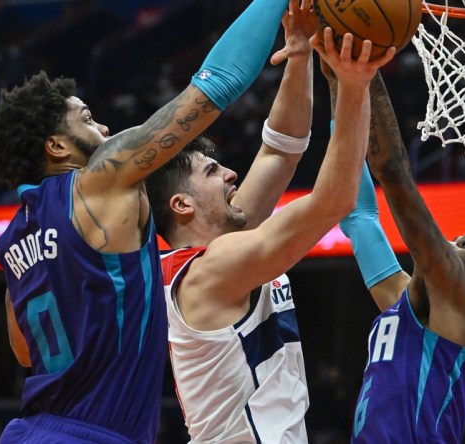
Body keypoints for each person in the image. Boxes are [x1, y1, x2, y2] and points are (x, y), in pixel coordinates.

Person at [0, 0, 292, 441]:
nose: (104, 130)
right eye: (87, 119)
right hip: (90, 433)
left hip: (33, 428)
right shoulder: (98, 182)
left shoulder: (13, 242)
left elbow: (25, 352)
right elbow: (216, 85)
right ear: (56, 146)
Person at [145, 20, 396, 442]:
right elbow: (333, 200)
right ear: (182, 205)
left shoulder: (221, 246)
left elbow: (279, 149)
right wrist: (354, 85)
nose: (230, 173)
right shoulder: (210, 270)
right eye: (212, 171)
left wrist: (298, 54)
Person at [335, 69, 465, 442]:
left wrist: (365, 70)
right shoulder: (408, 307)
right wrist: (339, 82)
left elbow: (393, 172)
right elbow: (359, 217)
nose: (450, 243)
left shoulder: (463, 310)